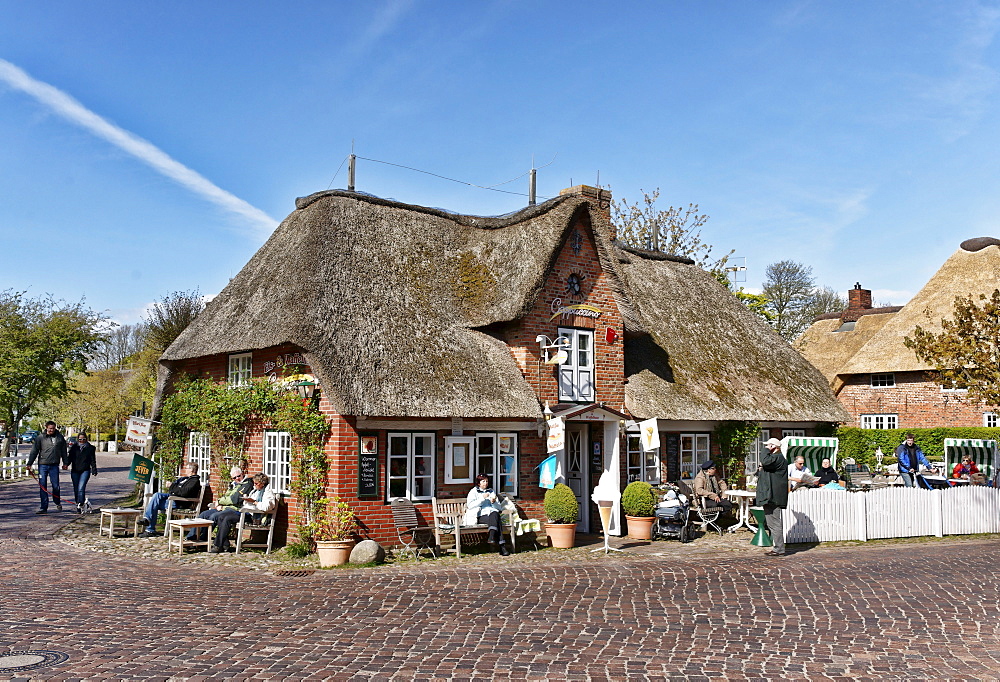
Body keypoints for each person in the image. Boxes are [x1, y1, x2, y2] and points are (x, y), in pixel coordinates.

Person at [211, 472, 276, 553]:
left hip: (253, 516)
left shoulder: (268, 493)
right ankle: (225, 544)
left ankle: (218, 545)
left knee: (227, 518)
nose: (254, 485)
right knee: (221, 516)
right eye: (254, 483)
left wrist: (254, 502)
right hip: (245, 511)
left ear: (262, 483)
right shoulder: (255, 490)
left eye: (256, 483)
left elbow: (267, 507)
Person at [186, 466, 253, 544]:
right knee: (203, 514)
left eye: (239, 476)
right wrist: (220, 503)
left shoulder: (247, 484)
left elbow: (235, 500)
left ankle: (203, 539)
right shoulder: (234, 484)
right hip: (225, 508)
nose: (237, 478)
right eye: (234, 477)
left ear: (242, 474)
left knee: (214, 516)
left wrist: (220, 502)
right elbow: (226, 496)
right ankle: (191, 537)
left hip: (235, 510)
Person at [140, 462, 201, 537]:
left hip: (180, 502)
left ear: (191, 470)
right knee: (157, 495)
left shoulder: (194, 481)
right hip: (174, 498)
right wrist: (173, 487)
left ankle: (149, 527)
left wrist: (171, 486)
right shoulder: (185, 479)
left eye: (187, 468)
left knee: (155, 503)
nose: (185, 470)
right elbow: (176, 489)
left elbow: (184, 492)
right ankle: (148, 522)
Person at [26, 421, 69, 514]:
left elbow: (64, 451)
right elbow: (34, 451)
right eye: (49, 428)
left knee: (56, 486)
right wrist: (29, 463)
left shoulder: (60, 438)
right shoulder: (40, 438)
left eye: (53, 428)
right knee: (43, 486)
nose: (51, 430)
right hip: (43, 465)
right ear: (46, 428)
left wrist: (66, 463)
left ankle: (57, 501)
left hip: (54, 465)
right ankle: (43, 507)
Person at [756, 437, 789, 557]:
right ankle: (778, 547)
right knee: (771, 523)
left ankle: (779, 548)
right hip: (770, 495)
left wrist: (765, 451)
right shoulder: (775, 459)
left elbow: (765, 461)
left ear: (774, 447)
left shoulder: (778, 458)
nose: (766, 448)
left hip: (774, 496)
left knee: (775, 523)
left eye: (768, 446)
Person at [464, 474, 510, 556]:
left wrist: (494, 502)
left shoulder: (491, 491)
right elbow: (470, 506)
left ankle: (492, 537)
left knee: (495, 514)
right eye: (483, 481)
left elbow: (499, 508)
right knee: (497, 520)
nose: (485, 483)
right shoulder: (473, 492)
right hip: (480, 515)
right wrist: (482, 498)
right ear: (479, 483)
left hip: (492, 515)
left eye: (487, 481)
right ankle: (502, 547)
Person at [65, 433, 98, 514]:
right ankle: (78, 505)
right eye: (80, 439)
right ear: (77, 439)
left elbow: (92, 460)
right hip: (75, 470)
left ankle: (82, 504)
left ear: (86, 439)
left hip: (85, 470)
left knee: (81, 488)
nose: (82, 441)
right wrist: (66, 464)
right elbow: (70, 458)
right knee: (76, 489)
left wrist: (94, 470)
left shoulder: (90, 448)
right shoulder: (74, 448)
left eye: (83, 439)